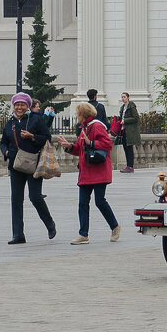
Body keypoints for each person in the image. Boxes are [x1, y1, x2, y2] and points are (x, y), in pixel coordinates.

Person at [57, 102, 120, 245]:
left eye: (77, 114)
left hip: (99, 170)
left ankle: (115, 227)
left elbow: (108, 144)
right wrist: (69, 146)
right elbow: (80, 149)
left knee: (100, 202)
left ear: (83, 115)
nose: (76, 116)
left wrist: (91, 143)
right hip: (86, 172)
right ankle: (83, 234)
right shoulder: (84, 128)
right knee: (82, 204)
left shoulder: (96, 126)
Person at [0, 91, 56, 244]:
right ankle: (18, 234)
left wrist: (32, 136)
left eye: (22, 105)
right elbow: (3, 141)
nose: (19, 107)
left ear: (28, 106)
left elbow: (47, 138)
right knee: (16, 200)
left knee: (35, 197)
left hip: (33, 164)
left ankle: (50, 224)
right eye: (17, 104)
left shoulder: (36, 120)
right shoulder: (10, 122)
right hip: (15, 165)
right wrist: (5, 151)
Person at [117, 91, 140, 173]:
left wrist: (125, 121)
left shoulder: (131, 106)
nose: (123, 99)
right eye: (122, 97)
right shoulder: (122, 107)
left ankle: (130, 166)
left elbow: (136, 118)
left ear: (128, 97)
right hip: (123, 130)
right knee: (125, 148)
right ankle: (128, 165)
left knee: (129, 149)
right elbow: (121, 118)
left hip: (129, 131)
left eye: (124, 97)